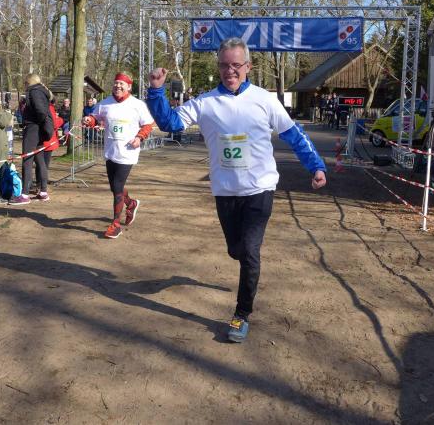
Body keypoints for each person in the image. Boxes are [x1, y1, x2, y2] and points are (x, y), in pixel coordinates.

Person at [146, 37, 327, 343]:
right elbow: (170, 123)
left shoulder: (264, 100)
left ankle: (241, 314)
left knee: (250, 252)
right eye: (224, 65)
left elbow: (294, 134)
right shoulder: (205, 103)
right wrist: (156, 91)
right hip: (225, 191)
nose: (230, 71)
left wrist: (317, 166)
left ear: (248, 67)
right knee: (236, 250)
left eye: (235, 65)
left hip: (260, 189)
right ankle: (242, 261)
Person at [82, 73, 154, 239]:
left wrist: (139, 137)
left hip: (127, 152)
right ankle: (131, 203)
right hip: (110, 151)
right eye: (116, 83)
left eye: (122, 84)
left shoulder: (137, 104)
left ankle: (115, 224)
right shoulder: (105, 103)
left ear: (129, 86)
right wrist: (89, 120)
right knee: (115, 187)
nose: (118, 86)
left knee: (117, 186)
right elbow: (95, 117)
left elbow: (148, 124)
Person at [11, 74, 53, 205]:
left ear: (29, 82)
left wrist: (37, 123)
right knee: (40, 160)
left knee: (27, 161)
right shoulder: (42, 91)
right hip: (37, 129)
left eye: (25, 82)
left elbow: (41, 111)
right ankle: (43, 192)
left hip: (33, 129)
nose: (24, 85)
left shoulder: (34, 92)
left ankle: (24, 194)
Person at [35, 99, 65, 202]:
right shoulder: (49, 108)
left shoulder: (37, 106)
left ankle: (39, 186)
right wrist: (60, 119)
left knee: (39, 164)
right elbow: (54, 123)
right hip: (48, 141)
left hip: (39, 140)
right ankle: (42, 188)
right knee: (44, 165)